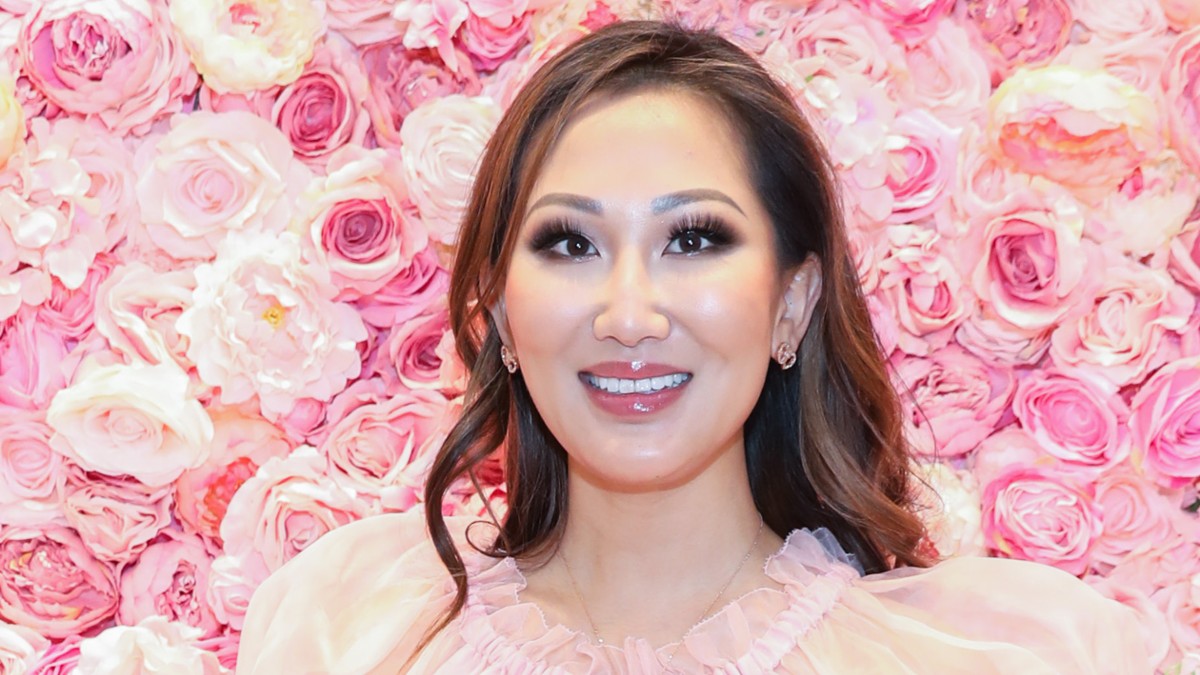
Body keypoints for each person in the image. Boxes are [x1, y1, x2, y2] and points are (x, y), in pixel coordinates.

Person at [236, 20, 1150, 674]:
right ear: (502, 316)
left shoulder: (1008, 652)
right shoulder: (345, 628)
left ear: (793, 303)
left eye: (694, 239)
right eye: (569, 243)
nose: (629, 313)